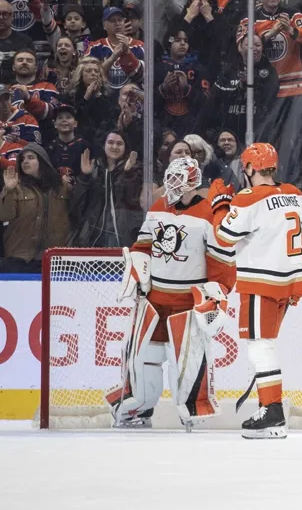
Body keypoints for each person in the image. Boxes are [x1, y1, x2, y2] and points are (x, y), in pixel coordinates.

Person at [108, 157, 235, 429]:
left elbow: (221, 260)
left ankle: (192, 412)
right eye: (170, 177)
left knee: (186, 363)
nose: (171, 183)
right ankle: (137, 409)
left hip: (187, 303)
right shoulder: (157, 207)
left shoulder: (207, 214)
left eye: (178, 178)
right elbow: (143, 245)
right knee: (142, 358)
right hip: (154, 301)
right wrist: (138, 269)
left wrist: (218, 290)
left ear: (192, 181)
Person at [215, 143, 302, 439]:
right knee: (265, 344)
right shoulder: (295, 194)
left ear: (249, 168)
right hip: (289, 281)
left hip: (261, 282)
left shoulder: (248, 198)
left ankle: (272, 411)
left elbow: (223, 237)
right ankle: (269, 409)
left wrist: (220, 203)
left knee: (261, 346)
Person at [0, 143, 71, 272]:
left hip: (55, 259)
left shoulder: (62, 187)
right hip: (19, 258)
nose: (25, 162)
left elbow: (78, 212)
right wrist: (8, 191)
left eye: (30, 158)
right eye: (22, 160)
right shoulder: (16, 187)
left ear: (42, 161)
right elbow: (4, 216)